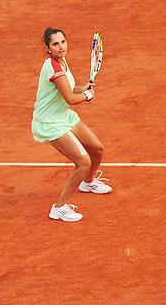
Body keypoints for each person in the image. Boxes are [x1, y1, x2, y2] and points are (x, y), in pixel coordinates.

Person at [31, 27, 112, 222]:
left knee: (97, 149)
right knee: (83, 162)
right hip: (49, 121)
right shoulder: (53, 67)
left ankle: (88, 182)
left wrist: (83, 87)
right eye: (55, 44)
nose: (61, 47)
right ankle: (59, 208)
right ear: (47, 48)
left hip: (62, 115)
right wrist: (87, 95)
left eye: (63, 42)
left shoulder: (61, 61)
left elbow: (68, 88)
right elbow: (69, 97)